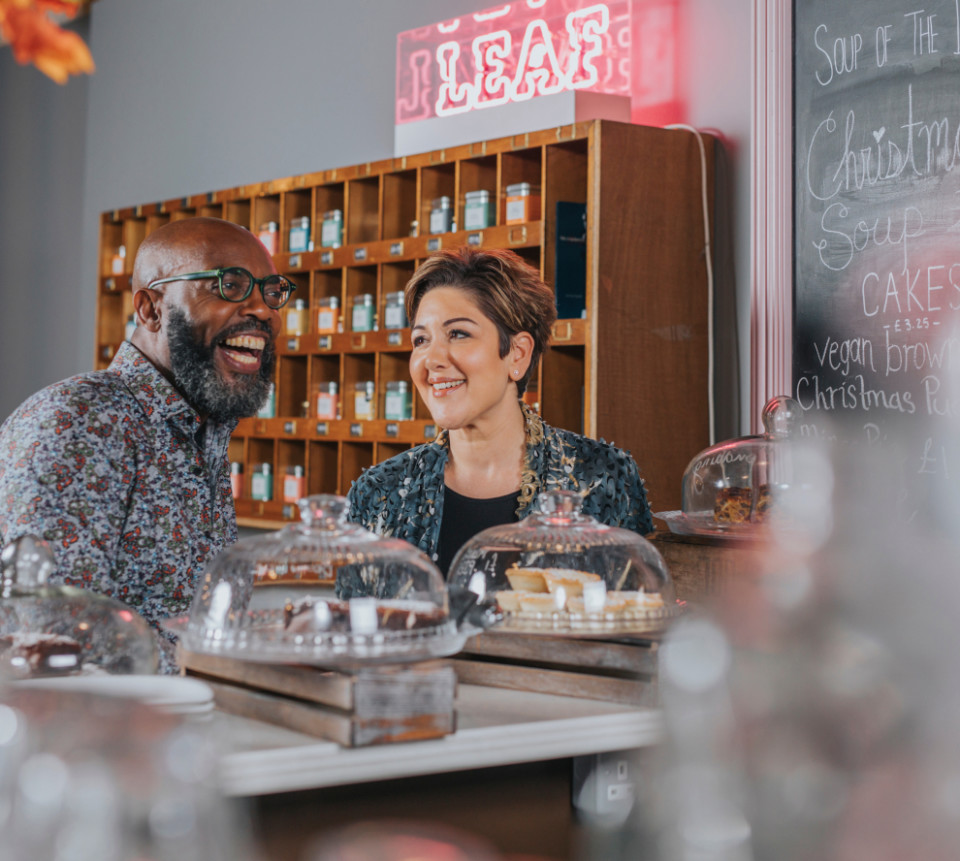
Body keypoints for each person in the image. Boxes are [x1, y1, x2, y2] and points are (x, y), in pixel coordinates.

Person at [0, 217, 295, 670]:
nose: (263, 310)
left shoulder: (200, 431)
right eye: (229, 285)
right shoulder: (83, 421)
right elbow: (52, 640)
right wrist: (238, 659)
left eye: (271, 291)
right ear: (151, 309)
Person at [347, 246, 653, 576]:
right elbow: (354, 622)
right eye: (421, 340)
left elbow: (638, 614)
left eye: (458, 334)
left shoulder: (603, 477)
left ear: (517, 354)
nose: (431, 359)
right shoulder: (377, 492)